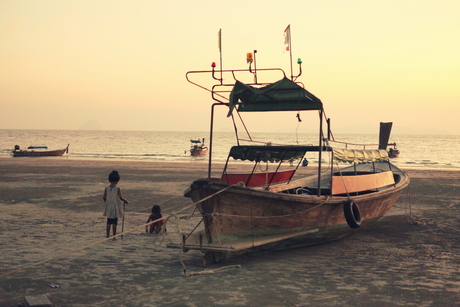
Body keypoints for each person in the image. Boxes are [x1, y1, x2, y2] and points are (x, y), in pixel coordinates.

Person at [102, 170, 129, 240]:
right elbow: (120, 197)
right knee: (114, 222)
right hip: (115, 207)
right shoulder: (117, 188)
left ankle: (107, 235)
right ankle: (114, 236)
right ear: (117, 180)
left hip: (109, 206)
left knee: (109, 221)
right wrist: (125, 201)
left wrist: (107, 202)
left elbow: (104, 197)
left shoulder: (106, 188)